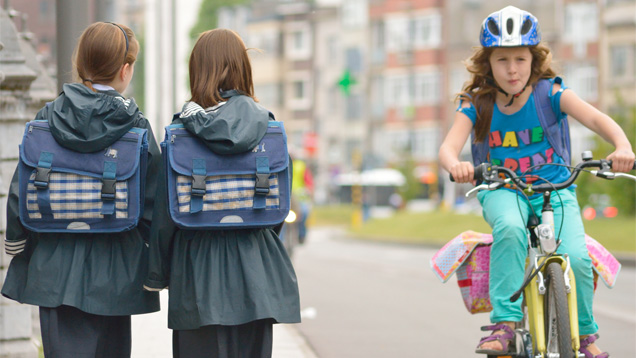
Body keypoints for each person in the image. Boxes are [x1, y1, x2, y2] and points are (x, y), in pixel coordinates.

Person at [438, 6, 634, 358]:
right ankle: (505, 325)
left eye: (519, 58)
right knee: (510, 230)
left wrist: (622, 145)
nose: (512, 69)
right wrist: (457, 165)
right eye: (502, 60)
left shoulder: (551, 94)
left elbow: (596, 118)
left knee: (575, 254)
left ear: (533, 60)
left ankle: (585, 337)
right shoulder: (477, 104)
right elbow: (448, 148)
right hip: (502, 189)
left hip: (555, 189)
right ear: (488, 63)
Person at [1, 22, 161, 357]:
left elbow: (23, 186)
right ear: (125, 69)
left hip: (54, 269)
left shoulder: (48, 116)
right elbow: (154, 204)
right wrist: (149, 258)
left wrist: (16, 242)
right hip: (116, 269)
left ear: (81, 63)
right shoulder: (136, 125)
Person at [144, 28, 301, 358]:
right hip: (258, 273)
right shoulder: (270, 130)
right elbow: (278, 207)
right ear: (243, 69)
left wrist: (157, 274)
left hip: (197, 273)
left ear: (197, 72)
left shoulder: (180, 135)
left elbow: (165, 215)